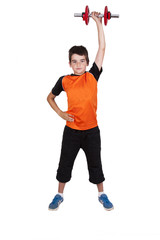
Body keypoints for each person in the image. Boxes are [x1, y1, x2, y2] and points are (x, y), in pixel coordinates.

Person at [47, 12, 113, 211]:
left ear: (87, 62)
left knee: (96, 165)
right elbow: (49, 97)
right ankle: (59, 195)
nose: (78, 65)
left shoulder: (92, 76)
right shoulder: (64, 80)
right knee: (64, 164)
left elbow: (102, 47)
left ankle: (102, 194)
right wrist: (60, 113)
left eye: (82, 61)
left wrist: (98, 22)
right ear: (69, 63)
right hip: (71, 131)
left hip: (92, 131)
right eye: (74, 61)